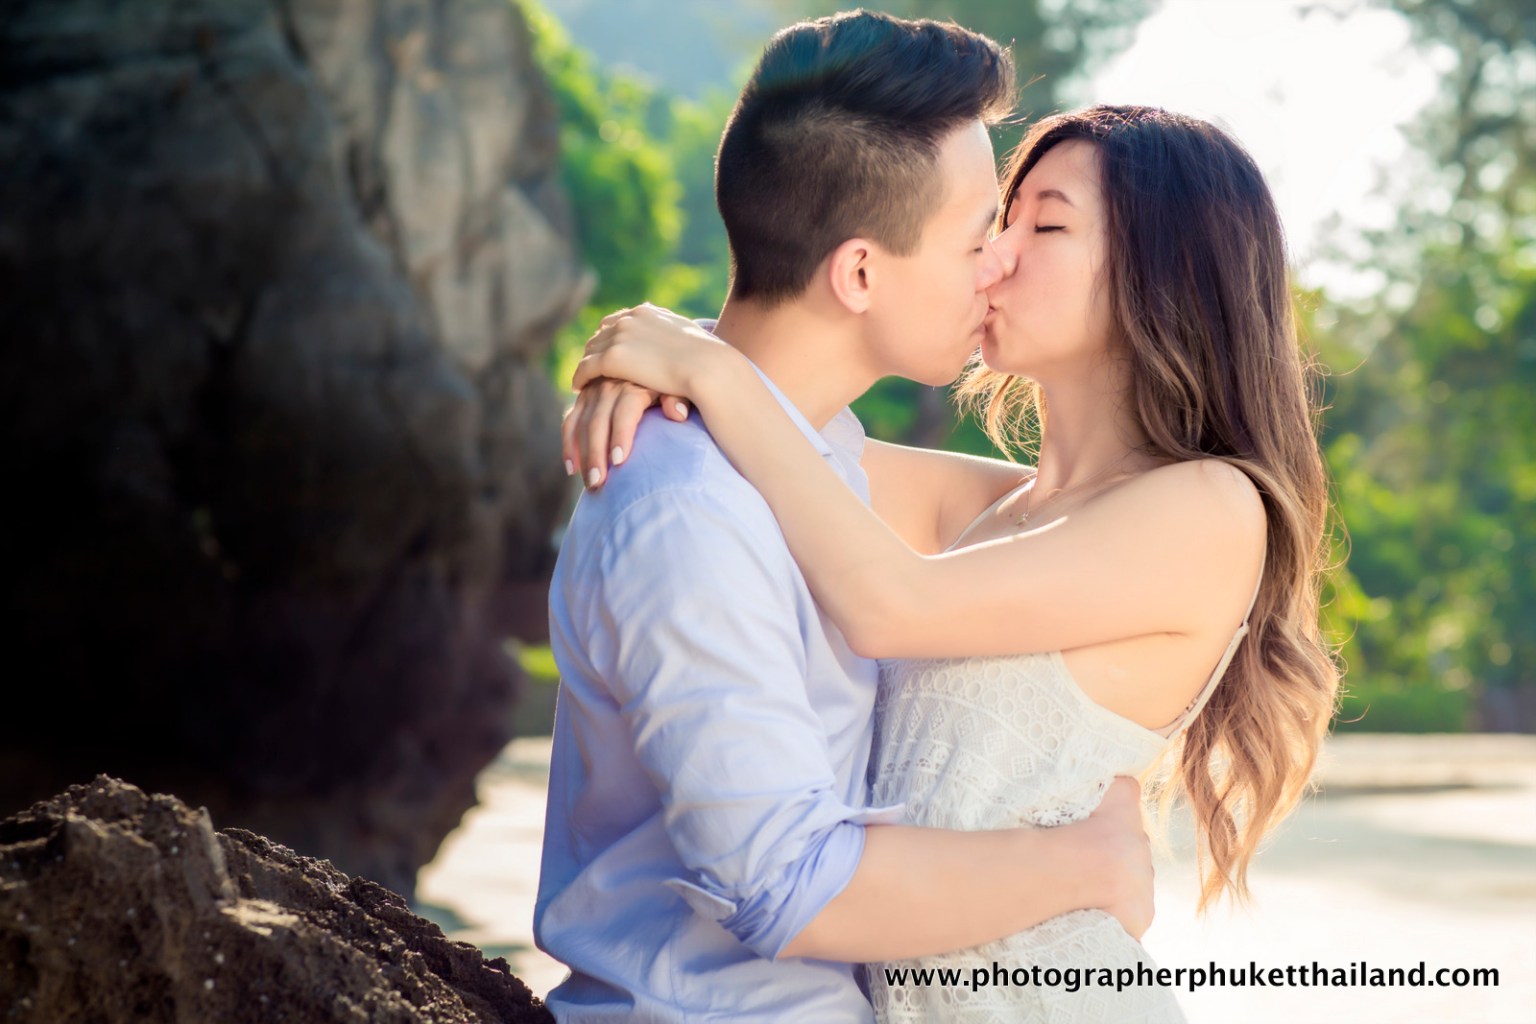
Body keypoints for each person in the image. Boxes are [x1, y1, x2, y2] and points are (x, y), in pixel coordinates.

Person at [566, 105, 1341, 1022]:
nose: (997, 254)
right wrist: (655, 360)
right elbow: (776, 437)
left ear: (1166, 271)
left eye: (1045, 224)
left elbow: (889, 603)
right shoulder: (1000, 508)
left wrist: (705, 369)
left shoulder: (1210, 508)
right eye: (998, 221)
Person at [534, 15, 1158, 1024]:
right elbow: (790, 884)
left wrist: (693, 354)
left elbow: (1067, 512)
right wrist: (1084, 861)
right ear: (860, 273)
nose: (996, 266)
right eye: (976, 237)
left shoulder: (812, 452)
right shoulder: (689, 509)